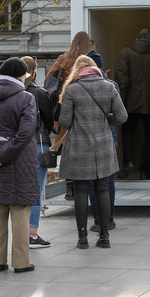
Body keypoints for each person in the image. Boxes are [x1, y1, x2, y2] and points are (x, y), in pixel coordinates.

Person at [58, 55, 127, 249]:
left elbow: (64, 122)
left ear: (77, 70)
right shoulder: (109, 87)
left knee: (80, 191)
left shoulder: (72, 89)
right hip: (103, 145)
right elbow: (122, 116)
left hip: (79, 146)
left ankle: (82, 238)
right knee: (103, 189)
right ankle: (104, 236)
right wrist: (106, 121)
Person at [0, 57, 38, 273]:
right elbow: (25, 134)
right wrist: (3, 156)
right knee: (21, 212)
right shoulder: (27, 98)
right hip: (20, 160)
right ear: (22, 76)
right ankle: (21, 262)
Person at [45, 31, 93, 199]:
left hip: (63, 108)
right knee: (84, 148)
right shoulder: (88, 60)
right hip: (83, 110)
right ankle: (84, 188)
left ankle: (70, 189)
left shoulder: (63, 58)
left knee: (65, 149)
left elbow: (48, 79)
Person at [116, 28, 150, 180]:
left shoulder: (126, 53)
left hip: (131, 103)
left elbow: (123, 80)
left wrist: (120, 102)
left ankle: (128, 162)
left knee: (128, 133)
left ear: (136, 38)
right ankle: (145, 170)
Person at [20, 56, 53, 248]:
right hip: (38, 143)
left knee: (20, 191)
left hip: (16, 146)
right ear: (34, 72)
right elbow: (49, 120)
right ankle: (32, 233)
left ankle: (20, 231)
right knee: (35, 190)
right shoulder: (40, 93)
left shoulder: (11, 92)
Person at [86, 42, 118, 232]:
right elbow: (120, 115)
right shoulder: (112, 86)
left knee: (90, 181)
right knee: (108, 182)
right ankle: (109, 218)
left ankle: (98, 220)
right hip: (108, 140)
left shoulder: (78, 86)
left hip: (87, 141)